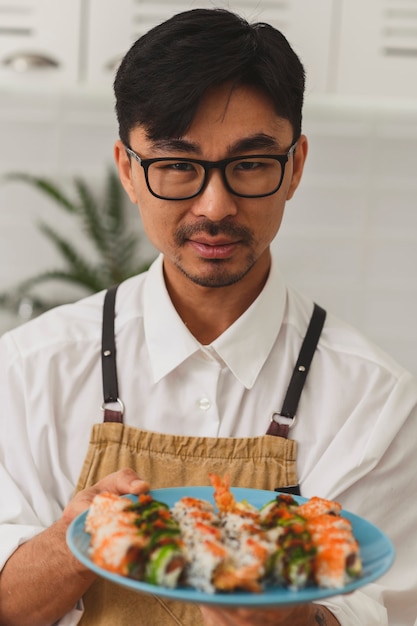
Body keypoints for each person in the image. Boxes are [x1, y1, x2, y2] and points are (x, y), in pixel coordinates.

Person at [0, 7, 416, 626]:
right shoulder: (30, 369)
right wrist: (74, 542)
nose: (214, 206)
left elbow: (387, 608)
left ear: (295, 166)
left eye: (249, 164)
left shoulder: (375, 400)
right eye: (177, 165)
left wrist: (295, 618)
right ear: (128, 170)